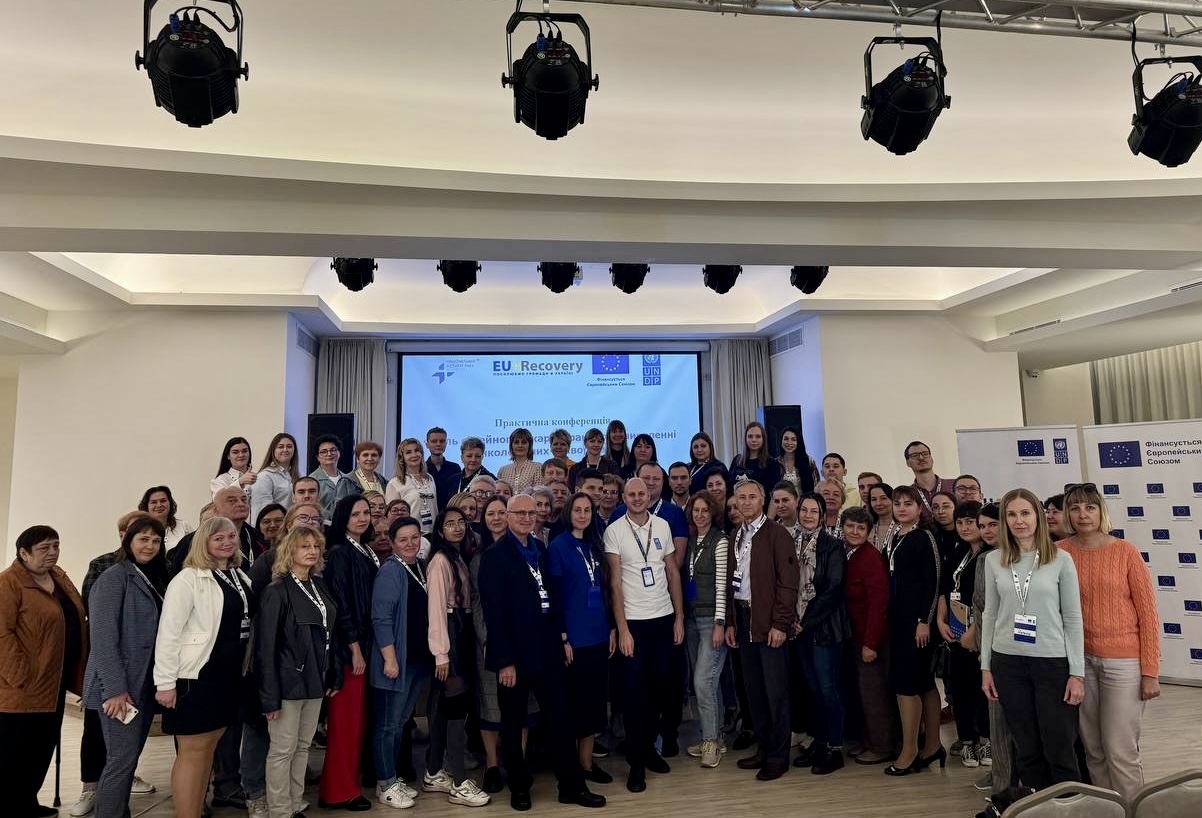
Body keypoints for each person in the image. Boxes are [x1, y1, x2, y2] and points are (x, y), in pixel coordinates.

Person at [478, 494, 606, 811]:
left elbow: (554, 598)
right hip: (515, 655)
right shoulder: (495, 556)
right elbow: (494, 614)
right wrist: (505, 661)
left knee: (561, 718)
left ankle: (571, 786)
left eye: (531, 512)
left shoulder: (539, 548)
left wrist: (562, 639)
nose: (526, 517)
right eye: (519, 512)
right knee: (513, 722)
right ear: (508, 516)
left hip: (548, 648)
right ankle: (519, 786)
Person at [1058, 483, 1160, 799]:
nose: (1082, 514)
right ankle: (1108, 809)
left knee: (1121, 750)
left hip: (1123, 664)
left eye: (1089, 507)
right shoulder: (1058, 552)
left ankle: (1134, 809)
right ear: (1066, 514)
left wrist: (1150, 672)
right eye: (1074, 508)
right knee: (1093, 749)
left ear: (1101, 511)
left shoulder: (1125, 551)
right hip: (1079, 664)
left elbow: (1148, 614)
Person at [981, 488, 1085, 792]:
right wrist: (985, 667)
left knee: (1059, 746)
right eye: (1011, 514)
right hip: (1008, 663)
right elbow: (990, 615)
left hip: (1051, 662)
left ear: (1038, 516)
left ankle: (1070, 807)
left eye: (1025, 513)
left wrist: (1077, 673)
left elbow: (1073, 618)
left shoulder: (1061, 559)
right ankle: (1038, 806)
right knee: (1026, 748)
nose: (1019, 521)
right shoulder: (993, 560)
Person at [154, 516, 253, 818]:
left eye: (231, 536)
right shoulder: (187, 579)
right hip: (197, 677)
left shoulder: (238, 575)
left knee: (208, 751)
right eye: (218, 538)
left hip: (228, 675)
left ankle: (195, 810)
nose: (227, 542)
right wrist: (165, 683)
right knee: (193, 753)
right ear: (203, 543)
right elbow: (169, 633)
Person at [0, 525, 89, 818]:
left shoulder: (58, 577)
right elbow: (1, 634)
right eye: (44, 548)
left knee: (40, 747)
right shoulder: (9, 583)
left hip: (54, 681)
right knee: (14, 750)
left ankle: (25, 802)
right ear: (24, 553)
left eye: (56, 546)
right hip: (20, 688)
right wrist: (20, 675)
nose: (52, 553)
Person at [82, 516, 167, 818]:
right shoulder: (113, 578)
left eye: (155, 540)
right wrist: (115, 690)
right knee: (120, 761)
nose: (150, 546)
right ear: (128, 541)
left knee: (127, 760)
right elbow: (103, 640)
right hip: (118, 688)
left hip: (142, 682)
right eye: (143, 539)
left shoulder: (152, 576)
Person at [604, 477, 685, 792]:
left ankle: (650, 748)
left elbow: (672, 572)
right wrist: (623, 629)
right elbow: (614, 583)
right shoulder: (614, 530)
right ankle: (636, 763)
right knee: (635, 694)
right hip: (634, 624)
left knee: (659, 691)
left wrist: (679, 617)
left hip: (663, 620)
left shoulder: (662, 526)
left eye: (642, 493)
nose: (637, 498)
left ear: (650, 495)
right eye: (631, 494)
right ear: (624, 498)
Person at [256, 526, 341, 818]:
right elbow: (265, 649)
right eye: (305, 546)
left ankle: (295, 803)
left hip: (316, 679)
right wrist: (269, 697)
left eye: (316, 546)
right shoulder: (276, 591)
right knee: (283, 749)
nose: (312, 551)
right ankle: (280, 811)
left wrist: (333, 672)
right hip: (287, 682)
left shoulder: (319, 585)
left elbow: (330, 634)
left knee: (303, 747)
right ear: (289, 550)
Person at [724, 479, 798, 782]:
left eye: (752, 497)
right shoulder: (736, 534)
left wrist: (781, 624)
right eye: (741, 497)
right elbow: (732, 582)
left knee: (775, 692)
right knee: (754, 691)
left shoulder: (777, 534)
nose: (746, 502)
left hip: (769, 621)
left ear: (762, 500)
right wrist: (730, 621)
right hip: (743, 619)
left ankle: (779, 756)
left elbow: (788, 583)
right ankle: (765, 748)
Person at [422, 508, 489, 807]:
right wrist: (441, 654)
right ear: (440, 531)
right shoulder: (440, 561)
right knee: (455, 710)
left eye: (461, 522)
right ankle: (459, 782)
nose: (457, 528)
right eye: (450, 524)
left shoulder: (458, 556)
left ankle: (434, 770)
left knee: (445, 708)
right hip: (449, 633)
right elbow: (436, 609)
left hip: (461, 631)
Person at [548, 493, 616, 783]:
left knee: (595, 704)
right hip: (574, 640)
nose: (583, 515)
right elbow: (556, 597)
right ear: (568, 512)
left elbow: (605, 590)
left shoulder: (595, 544)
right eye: (577, 509)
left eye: (588, 510)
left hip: (599, 634)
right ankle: (573, 765)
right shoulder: (558, 546)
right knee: (575, 706)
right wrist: (563, 637)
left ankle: (587, 763)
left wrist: (612, 627)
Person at [318, 495, 378, 812]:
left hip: (365, 647)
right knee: (345, 724)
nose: (362, 518)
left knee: (358, 722)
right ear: (343, 517)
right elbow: (340, 603)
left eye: (366, 512)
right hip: (348, 652)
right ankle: (338, 791)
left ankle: (346, 785)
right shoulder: (340, 553)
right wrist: (354, 647)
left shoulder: (365, 548)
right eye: (355, 514)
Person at [371, 516, 431, 809]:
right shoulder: (391, 571)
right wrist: (390, 659)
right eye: (403, 539)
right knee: (387, 726)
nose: (410, 543)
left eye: (414, 538)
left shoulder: (418, 566)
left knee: (400, 723)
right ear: (393, 543)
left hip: (417, 661)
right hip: (396, 664)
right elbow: (381, 619)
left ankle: (393, 779)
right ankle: (385, 783)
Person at [883, 485, 944, 776]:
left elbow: (934, 581)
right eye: (898, 504)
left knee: (907, 685)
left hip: (918, 624)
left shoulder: (924, 536)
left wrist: (924, 620)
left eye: (909, 503)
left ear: (920, 508)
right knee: (924, 684)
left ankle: (909, 751)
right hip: (898, 621)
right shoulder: (897, 536)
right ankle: (932, 746)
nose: (902, 508)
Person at [790, 493, 851, 775]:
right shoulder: (791, 541)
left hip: (824, 628)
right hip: (797, 628)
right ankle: (821, 741)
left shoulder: (833, 545)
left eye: (814, 511)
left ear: (823, 515)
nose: (808, 515)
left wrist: (807, 622)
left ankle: (835, 749)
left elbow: (833, 589)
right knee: (813, 690)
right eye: (804, 510)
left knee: (828, 690)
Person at [935, 501, 991, 769]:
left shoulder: (991, 555)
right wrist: (940, 620)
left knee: (982, 689)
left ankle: (986, 739)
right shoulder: (958, 551)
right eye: (960, 522)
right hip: (955, 631)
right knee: (960, 688)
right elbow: (946, 588)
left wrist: (974, 631)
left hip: (979, 633)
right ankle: (966, 740)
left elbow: (989, 601)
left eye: (971, 522)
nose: (965, 527)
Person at [839, 506, 894, 765]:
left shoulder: (870, 558)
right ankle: (867, 740)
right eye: (850, 526)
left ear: (869, 532)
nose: (855, 531)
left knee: (874, 694)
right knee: (861, 692)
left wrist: (870, 643)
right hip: (853, 636)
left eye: (861, 528)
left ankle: (882, 746)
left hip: (870, 639)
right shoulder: (847, 553)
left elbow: (878, 604)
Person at [681, 491, 730, 769]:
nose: (699, 515)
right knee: (710, 682)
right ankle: (716, 736)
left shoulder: (720, 541)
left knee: (702, 682)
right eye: (696, 510)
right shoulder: (689, 541)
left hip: (711, 621)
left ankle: (710, 741)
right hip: (691, 619)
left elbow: (722, 586)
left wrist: (720, 623)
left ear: (713, 513)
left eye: (704, 510)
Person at [385, 438, 437, 535]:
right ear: (402, 458)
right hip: (410, 535)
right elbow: (392, 517)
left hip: (433, 534)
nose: (414, 455)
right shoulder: (395, 483)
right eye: (408, 452)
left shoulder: (429, 478)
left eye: (417, 450)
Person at [251, 433, 300, 521]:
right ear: (273, 450)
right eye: (280, 447)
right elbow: (261, 511)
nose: (285, 450)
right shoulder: (264, 477)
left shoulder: (300, 475)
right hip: (275, 527)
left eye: (289, 446)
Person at [310, 434, 357, 520]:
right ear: (317, 457)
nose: (329, 454)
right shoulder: (312, 480)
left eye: (333, 450)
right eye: (324, 452)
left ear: (339, 453)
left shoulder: (348, 479)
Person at [903, 440, 955, 516]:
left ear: (932, 459)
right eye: (915, 455)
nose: (921, 457)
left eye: (925, 454)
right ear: (908, 463)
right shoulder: (907, 494)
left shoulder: (953, 485)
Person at [729, 422, 782, 490]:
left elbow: (775, 491)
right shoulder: (737, 460)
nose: (754, 440)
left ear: (763, 439)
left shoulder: (771, 463)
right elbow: (729, 485)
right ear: (745, 439)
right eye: (750, 436)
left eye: (758, 436)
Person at [140, 485, 194, 551]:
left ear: (170, 503)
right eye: (153, 502)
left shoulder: (184, 526)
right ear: (146, 506)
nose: (159, 505)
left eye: (163, 501)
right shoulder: (139, 529)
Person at [426, 427, 463, 512]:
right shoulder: (422, 469)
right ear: (427, 444)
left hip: (450, 513)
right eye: (434, 441)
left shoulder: (455, 468)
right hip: (429, 514)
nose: (438, 444)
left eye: (442, 441)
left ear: (446, 444)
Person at [496, 428, 541, 494]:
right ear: (511, 446)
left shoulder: (538, 467)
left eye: (524, 442)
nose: (520, 445)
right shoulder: (503, 470)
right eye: (516, 442)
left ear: (529, 446)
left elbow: (539, 494)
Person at [686, 432, 726, 496]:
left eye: (703, 446)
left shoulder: (718, 467)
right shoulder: (688, 467)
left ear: (710, 447)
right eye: (696, 447)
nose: (699, 450)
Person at [778, 428, 812, 495]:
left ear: (798, 442)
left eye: (793, 440)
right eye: (786, 439)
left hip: (804, 500)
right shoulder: (775, 463)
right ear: (781, 441)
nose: (789, 443)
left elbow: (816, 484)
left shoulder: (808, 461)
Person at [867, 483, 895, 553]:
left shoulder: (904, 526)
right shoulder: (867, 528)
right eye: (874, 499)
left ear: (893, 500)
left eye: (883, 498)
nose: (878, 503)